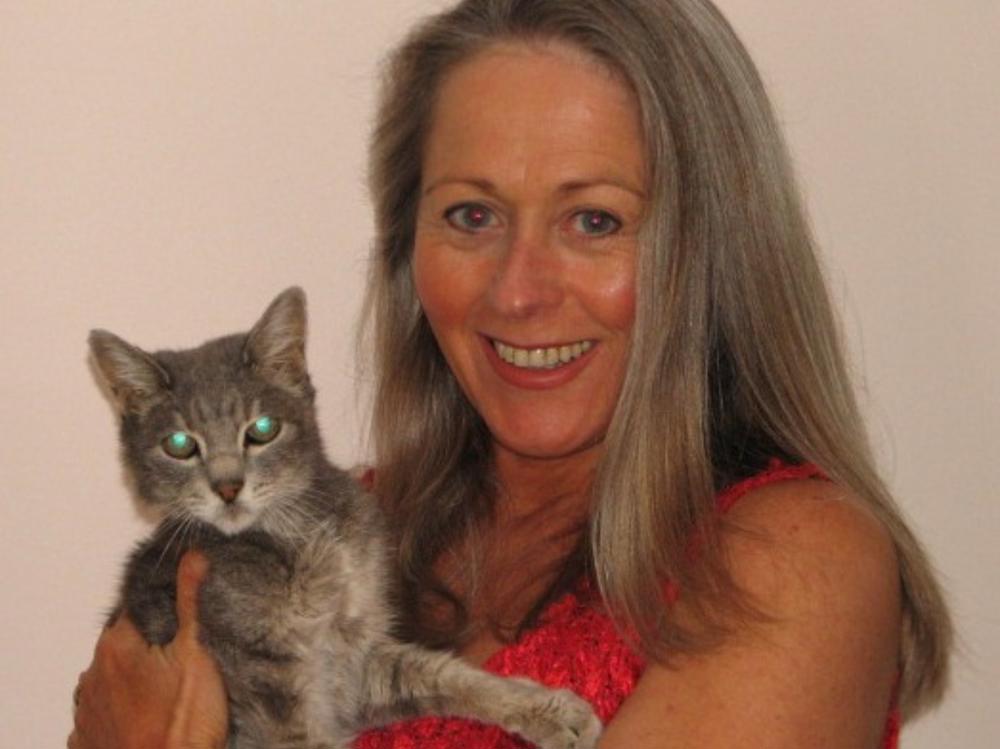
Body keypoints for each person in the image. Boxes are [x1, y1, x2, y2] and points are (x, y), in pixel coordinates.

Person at [69, 0, 953, 747]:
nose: (519, 292)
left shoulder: (792, 559)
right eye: (472, 215)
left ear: (709, 257)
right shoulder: (348, 522)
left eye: (594, 221)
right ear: (406, 249)